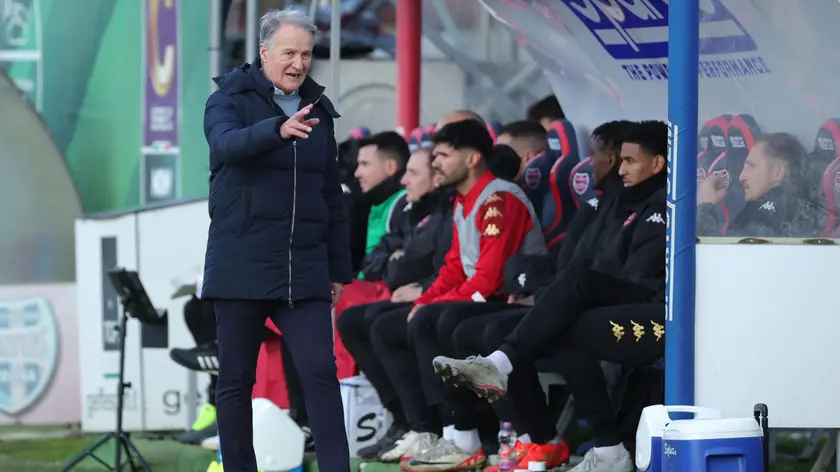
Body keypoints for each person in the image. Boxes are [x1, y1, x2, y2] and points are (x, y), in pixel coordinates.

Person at [434, 120, 670, 472]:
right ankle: (537, 439)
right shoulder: (613, 199)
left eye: (630, 161)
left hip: (646, 309)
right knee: (473, 330)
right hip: (593, 299)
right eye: (618, 160)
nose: (618, 168)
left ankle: (602, 445)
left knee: (568, 311)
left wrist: (567, 294)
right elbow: (575, 263)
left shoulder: (663, 204)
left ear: (657, 164)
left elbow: (628, 277)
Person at [201, 8, 351, 472]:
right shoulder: (227, 98)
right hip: (241, 262)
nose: (299, 63)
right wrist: (276, 130)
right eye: (289, 52)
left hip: (302, 267)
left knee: (322, 376)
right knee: (235, 381)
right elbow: (225, 146)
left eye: (306, 54)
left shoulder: (320, 112)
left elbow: (331, 194)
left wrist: (339, 269)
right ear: (264, 52)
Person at [370, 120, 545, 469]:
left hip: (515, 300)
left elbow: (489, 277)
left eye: (444, 155)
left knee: (436, 320)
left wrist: (432, 306)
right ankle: (429, 427)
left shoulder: (498, 198)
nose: (436, 163)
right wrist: (425, 299)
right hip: (482, 296)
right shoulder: (464, 200)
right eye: (435, 154)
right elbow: (454, 265)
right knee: (383, 324)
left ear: (472, 158)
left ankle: (462, 435)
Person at [337, 147, 454, 460]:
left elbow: (419, 265)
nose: (405, 181)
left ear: (437, 178)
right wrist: (397, 266)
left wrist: (420, 284)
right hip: (422, 294)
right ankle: (402, 419)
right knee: (351, 320)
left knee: (382, 323)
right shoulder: (411, 211)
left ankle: (425, 426)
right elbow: (378, 259)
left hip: (445, 298)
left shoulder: (447, 210)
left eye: (413, 173)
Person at [697, 132, 822, 237]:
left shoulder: (764, 215)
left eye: (750, 166)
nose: (741, 177)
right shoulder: (809, 211)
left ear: (777, 172)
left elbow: (723, 257)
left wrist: (706, 205)